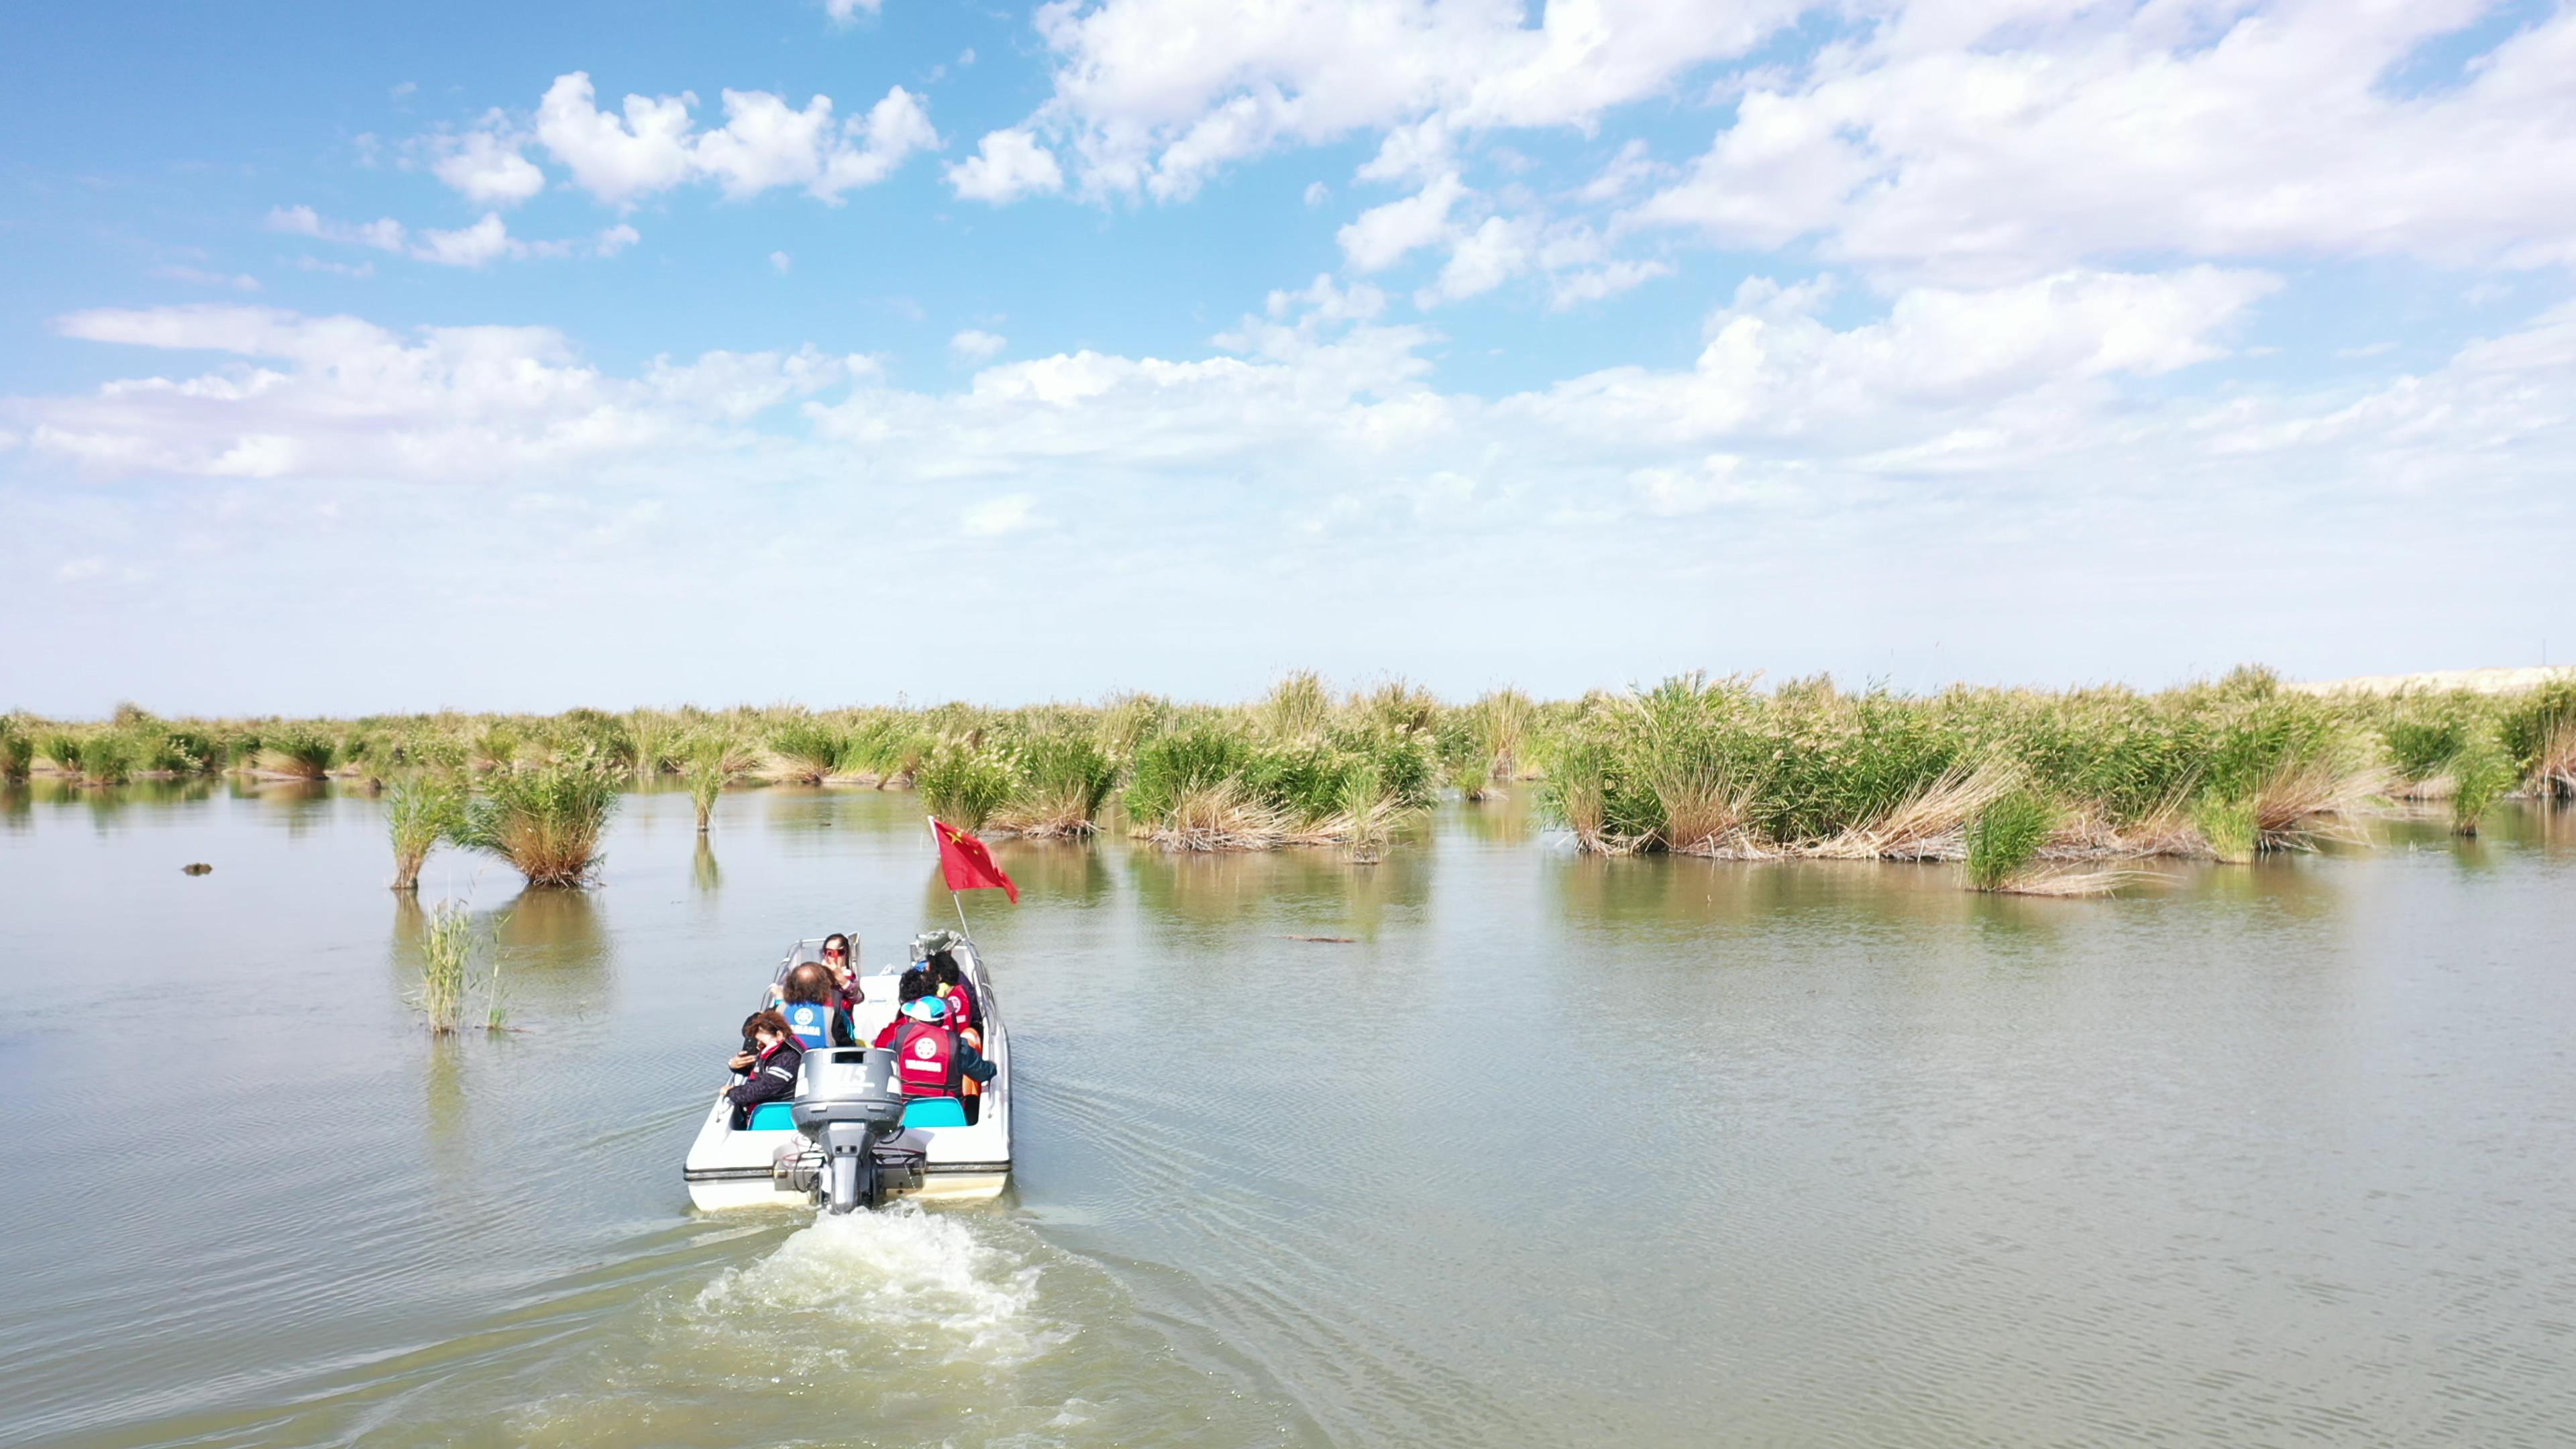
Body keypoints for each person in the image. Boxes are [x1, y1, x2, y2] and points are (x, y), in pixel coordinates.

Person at [888, 995, 995, 1107]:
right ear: (941, 1021)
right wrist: (993, 1066)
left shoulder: (897, 1044)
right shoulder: (958, 1046)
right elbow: (984, 1073)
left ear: (914, 1020)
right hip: (948, 1113)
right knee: (973, 1100)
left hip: (907, 1114)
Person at [722, 1009, 804, 1128]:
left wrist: (731, 1092)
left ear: (779, 1035)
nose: (757, 1046)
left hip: (780, 1112)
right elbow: (759, 1072)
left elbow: (764, 1088)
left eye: (761, 1042)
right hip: (767, 1108)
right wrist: (736, 1066)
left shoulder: (788, 1058)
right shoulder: (774, 1052)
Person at [778, 962, 857, 1050]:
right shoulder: (830, 1015)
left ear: (790, 985)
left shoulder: (779, 1010)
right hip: (819, 1062)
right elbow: (848, 1050)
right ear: (823, 986)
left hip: (785, 1062)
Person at [820, 932, 864, 1015]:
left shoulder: (850, 976)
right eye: (830, 953)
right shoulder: (817, 974)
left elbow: (858, 998)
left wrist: (842, 979)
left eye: (841, 952)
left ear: (846, 953)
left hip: (842, 1022)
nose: (835, 957)